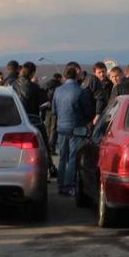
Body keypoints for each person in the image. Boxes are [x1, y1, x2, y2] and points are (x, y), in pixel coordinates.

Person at [53, 65, 94, 195]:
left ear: (64, 76)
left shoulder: (58, 91)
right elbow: (88, 112)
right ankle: (69, 185)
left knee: (62, 157)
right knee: (72, 158)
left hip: (61, 127)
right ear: (77, 76)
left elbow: (54, 110)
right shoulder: (81, 91)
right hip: (77, 128)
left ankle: (60, 184)